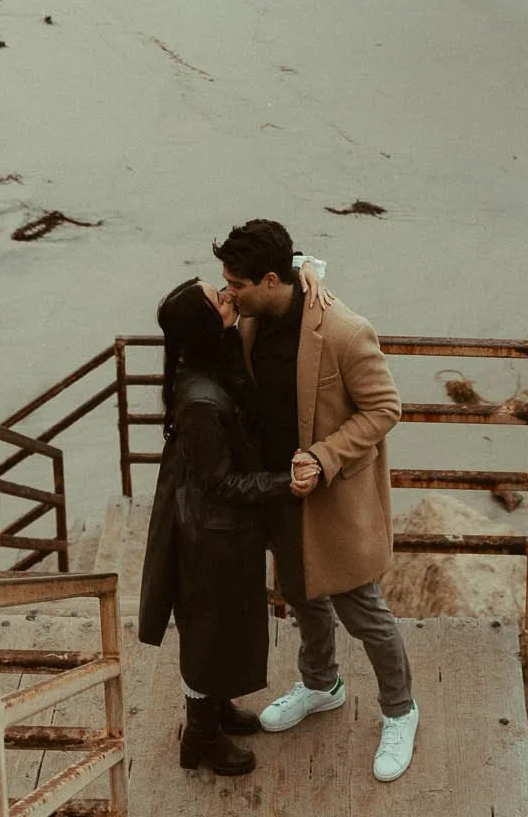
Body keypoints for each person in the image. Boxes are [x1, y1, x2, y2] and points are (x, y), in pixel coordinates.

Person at [214, 216, 421, 785]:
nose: (228, 290)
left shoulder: (346, 331)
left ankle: (401, 712)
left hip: (333, 498)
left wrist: (325, 456)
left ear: (273, 279)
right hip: (277, 493)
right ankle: (322, 684)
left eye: (236, 283)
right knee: (302, 596)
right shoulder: (257, 316)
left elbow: (385, 410)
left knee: (365, 614)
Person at [136, 275, 294, 777]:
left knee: (222, 625)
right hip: (208, 534)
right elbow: (223, 485)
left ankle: (215, 712)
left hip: (218, 528)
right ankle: (200, 737)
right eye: (217, 298)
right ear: (207, 324)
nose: (228, 296)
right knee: (207, 630)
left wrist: (306, 271)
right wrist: (284, 483)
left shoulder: (206, 363)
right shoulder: (201, 400)